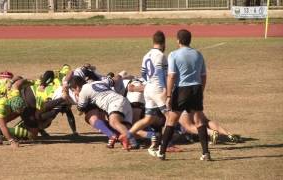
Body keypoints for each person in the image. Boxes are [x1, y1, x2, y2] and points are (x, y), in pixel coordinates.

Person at [149, 29, 211, 161]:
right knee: (199, 121)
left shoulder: (174, 55)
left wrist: (169, 96)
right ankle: (206, 153)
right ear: (190, 40)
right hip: (196, 89)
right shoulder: (198, 54)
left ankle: (162, 151)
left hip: (182, 90)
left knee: (171, 120)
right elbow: (203, 76)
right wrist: (200, 91)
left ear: (178, 40)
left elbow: (171, 76)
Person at [69, 76, 136, 150]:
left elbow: (80, 109)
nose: (74, 92)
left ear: (77, 87)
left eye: (73, 90)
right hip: (124, 101)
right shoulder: (99, 82)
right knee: (126, 129)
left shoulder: (83, 91)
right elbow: (116, 79)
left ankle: (132, 142)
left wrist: (77, 98)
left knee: (113, 122)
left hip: (114, 102)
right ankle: (148, 136)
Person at [128, 30, 169, 149]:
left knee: (148, 118)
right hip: (158, 89)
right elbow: (160, 73)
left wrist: (148, 82)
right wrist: (165, 90)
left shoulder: (146, 55)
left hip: (148, 89)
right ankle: (165, 143)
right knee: (170, 117)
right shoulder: (161, 55)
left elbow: (143, 73)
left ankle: (129, 134)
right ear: (164, 43)